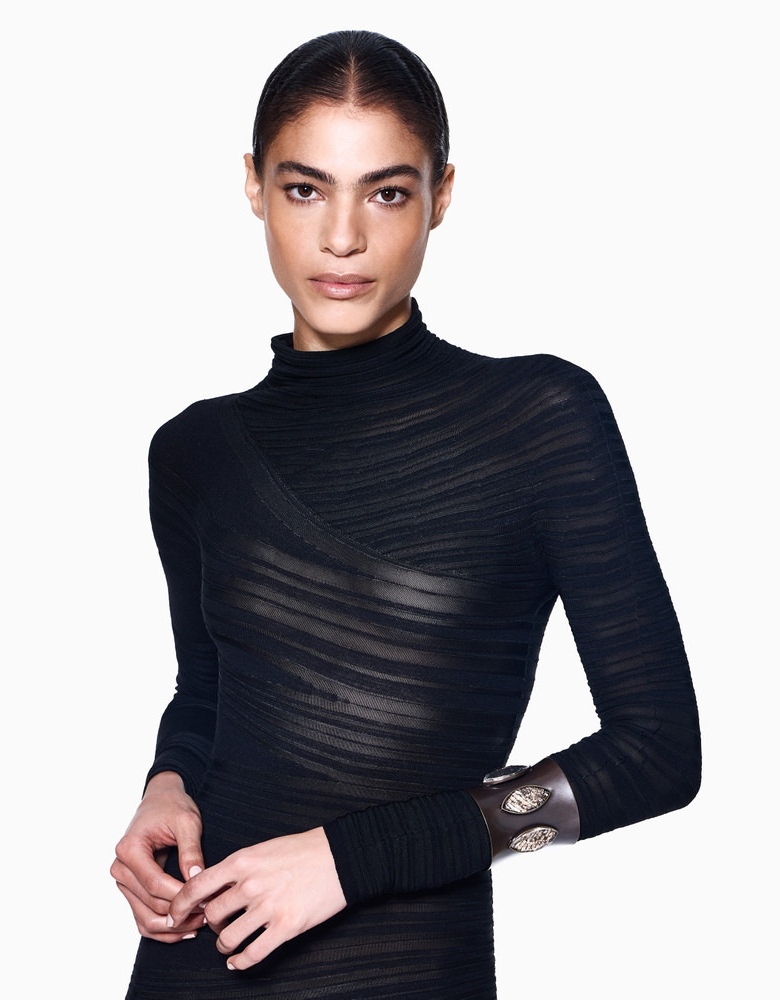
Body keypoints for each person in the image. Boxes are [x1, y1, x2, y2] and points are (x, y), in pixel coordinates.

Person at [111, 29, 701, 1000]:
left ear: (441, 195)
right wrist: (165, 785)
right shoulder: (194, 451)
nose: (342, 237)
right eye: (305, 189)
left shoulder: (538, 418)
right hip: (193, 960)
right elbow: (209, 693)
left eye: (385, 192)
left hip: (411, 971)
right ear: (254, 186)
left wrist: (355, 857)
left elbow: (657, 754)